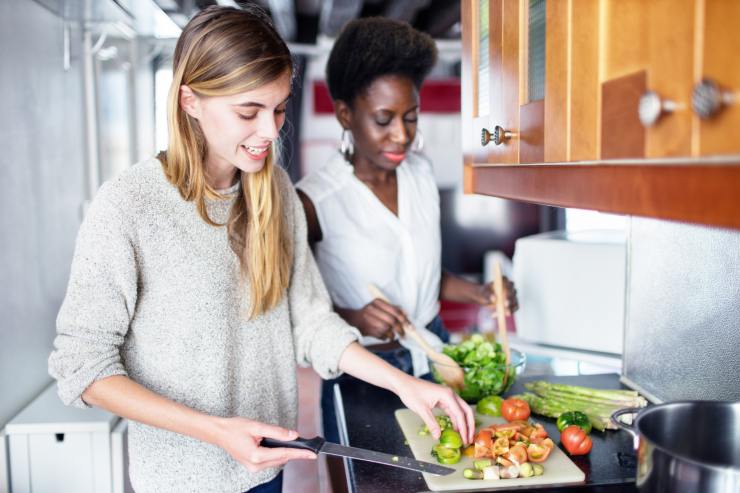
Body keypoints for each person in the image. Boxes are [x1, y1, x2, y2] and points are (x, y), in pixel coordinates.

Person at [48, 6, 473, 493]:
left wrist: (405, 384)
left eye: (278, 108)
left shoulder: (275, 194)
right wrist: (216, 430)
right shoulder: (129, 206)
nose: (271, 132)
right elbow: (84, 368)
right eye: (248, 112)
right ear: (190, 100)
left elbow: (311, 320)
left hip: (266, 468)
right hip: (183, 479)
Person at [296, 17, 518, 450]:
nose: (401, 135)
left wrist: (480, 293)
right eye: (384, 119)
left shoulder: (420, 173)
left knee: (453, 467)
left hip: (436, 355)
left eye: (411, 117)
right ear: (345, 114)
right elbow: (297, 314)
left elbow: (421, 274)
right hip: (366, 373)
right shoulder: (313, 202)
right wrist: (354, 316)